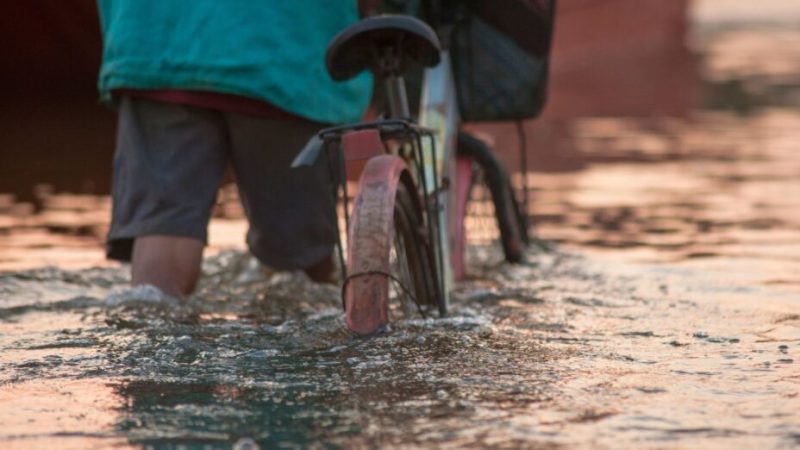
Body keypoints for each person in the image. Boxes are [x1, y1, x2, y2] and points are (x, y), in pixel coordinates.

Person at [96, 1, 372, 296]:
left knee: (164, 226)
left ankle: (151, 327)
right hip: (286, 50)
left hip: (156, 41)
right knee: (299, 260)